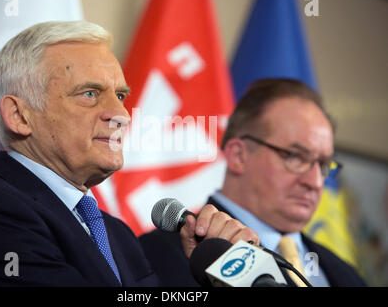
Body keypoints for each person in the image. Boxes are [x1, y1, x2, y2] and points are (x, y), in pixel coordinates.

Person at [0, 21, 259, 286]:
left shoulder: (114, 232)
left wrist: (216, 278)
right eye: (90, 94)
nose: (121, 114)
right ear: (19, 116)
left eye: (120, 95)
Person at [140, 78, 367, 287]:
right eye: (296, 157)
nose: (316, 182)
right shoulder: (156, 255)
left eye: (324, 164)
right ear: (239, 156)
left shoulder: (346, 274)